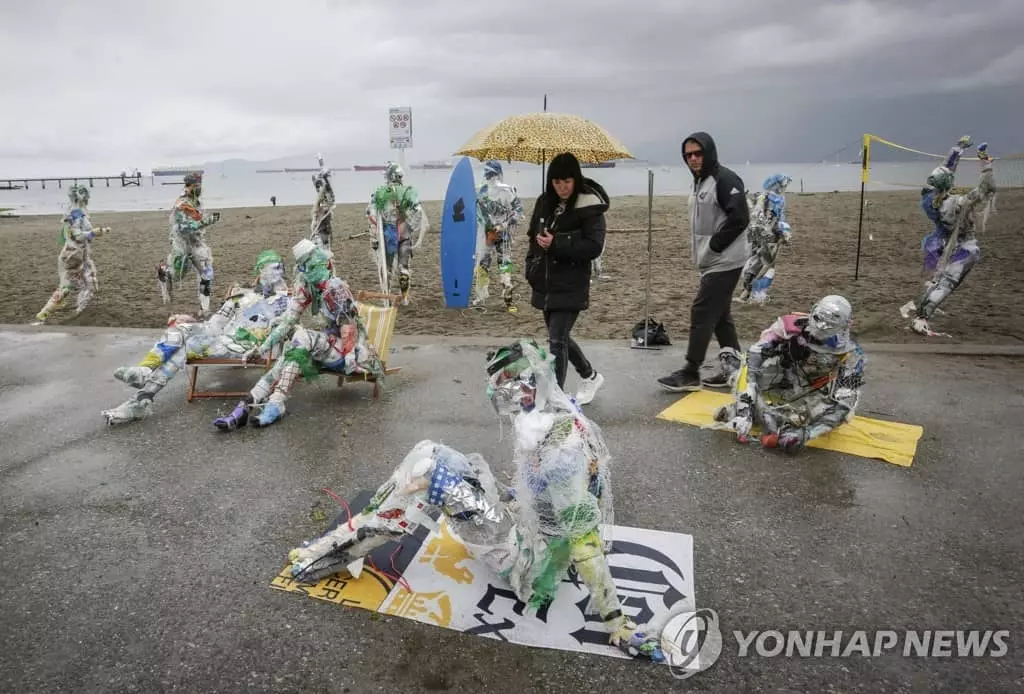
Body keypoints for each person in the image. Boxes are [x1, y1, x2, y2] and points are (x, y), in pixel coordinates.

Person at [286, 338, 665, 662]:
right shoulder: (546, 418)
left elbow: (585, 538)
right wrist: (507, 499)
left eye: (504, 383)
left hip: (531, 562)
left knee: (431, 467)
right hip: (526, 528)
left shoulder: (561, 448)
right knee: (434, 454)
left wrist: (616, 621)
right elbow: (542, 497)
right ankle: (352, 535)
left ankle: (331, 554)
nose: (495, 392)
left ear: (529, 384)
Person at [101, 250, 291, 425]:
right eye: (270, 268)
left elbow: (285, 328)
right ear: (259, 270)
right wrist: (191, 322)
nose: (276, 272)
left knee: (189, 345)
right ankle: (144, 372)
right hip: (221, 340)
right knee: (180, 328)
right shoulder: (240, 295)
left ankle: (141, 400)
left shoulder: (286, 301)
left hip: (245, 348)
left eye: (279, 267)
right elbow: (214, 325)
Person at [213, 240, 385, 430]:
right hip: (331, 349)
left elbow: (348, 326)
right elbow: (288, 320)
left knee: (302, 337)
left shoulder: (335, 288)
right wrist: (262, 348)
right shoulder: (309, 286)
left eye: (310, 263)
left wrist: (352, 361)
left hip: (353, 354)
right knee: (290, 351)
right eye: (304, 265)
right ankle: (247, 405)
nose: (308, 268)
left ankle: (273, 404)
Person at [713, 295, 866, 455]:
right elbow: (753, 360)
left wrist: (807, 433)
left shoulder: (852, 355)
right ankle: (751, 410)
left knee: (845, 414)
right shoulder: (789, 326)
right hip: (780, 378)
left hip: (813, 391)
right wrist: (745, 410)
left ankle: (764, 415)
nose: (820, 328)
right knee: (758, 364)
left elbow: (844, 404)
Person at [657, 132, 749, 392]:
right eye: (688, 155)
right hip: (711, 260)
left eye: (698, 153)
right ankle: (735, 369)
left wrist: (715, 245)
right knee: (720, 316)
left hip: (726, 260)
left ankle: (690, 371)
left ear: (709, 153)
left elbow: (740, 217)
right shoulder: (700, 182)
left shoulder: (725, 179)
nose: (693, 158)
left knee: (702, 311)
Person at [524, 152, 607, 406]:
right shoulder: (544, 202)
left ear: (576, 179)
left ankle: (556, 398)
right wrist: (532, 263)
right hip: (545, 281)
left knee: (557, 340)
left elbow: (594, 246)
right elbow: (532, 235)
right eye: (557, 182)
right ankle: (589, 375)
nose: (562, 188)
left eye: (567, 182)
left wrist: (557, 242)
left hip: (571, 282)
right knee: (559, 336)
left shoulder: (589, 206)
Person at [899, 143, 997, 337]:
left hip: (942, 243)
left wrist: (956, 150)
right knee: (946, 284)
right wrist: (985, 162)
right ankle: (922, 318)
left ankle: (923, 312)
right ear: (949, 184)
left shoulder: (928, 202)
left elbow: (943, 172)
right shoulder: (958, 202)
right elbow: (987, 187)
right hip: (964, 246)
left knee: (938, 281)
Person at [32, 185, 109, 325]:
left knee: (88, 280)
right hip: (74, 255)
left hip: (78, 254)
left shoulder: (75, 213)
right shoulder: (76, 213)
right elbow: (78, 236)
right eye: (86, 197)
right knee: (70, 286)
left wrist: (96, 233)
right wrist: (95, 232)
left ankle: (78, 309)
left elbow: (66, 236)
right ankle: (48, 312)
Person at [157, 171, 221, 316]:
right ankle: (163, 272)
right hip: (182, 245)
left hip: (197, 243)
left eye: (200, 185)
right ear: (190, 186)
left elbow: (196, 222)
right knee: (177, 275)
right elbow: (183, 227)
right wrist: (208, 221)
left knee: (206, 274)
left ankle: (204, 309)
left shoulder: (196, 202)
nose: (200, 188)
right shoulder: (182, 204)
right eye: (197, 185)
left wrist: (204, 223)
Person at [365, 162, 430, 305]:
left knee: (386, 267)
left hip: (388, 233)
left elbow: (371, 213)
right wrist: (410, 227)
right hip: (404, 231)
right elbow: (417, 211)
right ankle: (404, 298)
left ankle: (386, 297)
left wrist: (374, 237)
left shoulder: (381, 192)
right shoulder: (408, 191)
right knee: (404, 267)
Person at [473, 160, 525, 311]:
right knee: (504, 262)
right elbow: (519, 213)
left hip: (485, 233)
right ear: (499, 173)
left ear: (486, 174)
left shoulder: (479, 191)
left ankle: (481, 297)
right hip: (504, 232)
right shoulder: (508, 190)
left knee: (483, 263)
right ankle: (507, 288)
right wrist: (503, 224)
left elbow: (474, 213)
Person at [738, 174, 792, 304]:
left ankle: (747, 292)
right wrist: (785, 232)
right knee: (768, 266)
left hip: (753, 235)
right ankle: (757, 294)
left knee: (754, 262)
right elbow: (777, 219)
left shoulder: (760, 196)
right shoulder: (777, 200)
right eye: (783, 185)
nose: (784, 188)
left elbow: (750, 208)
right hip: (768, 237)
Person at [310, 157, 336, 254]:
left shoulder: (325, 203)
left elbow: (330, 197)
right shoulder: (320, 204)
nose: (318, 187)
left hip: (324, 230)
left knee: (326, 249)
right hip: (319, 230)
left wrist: (325, 179)